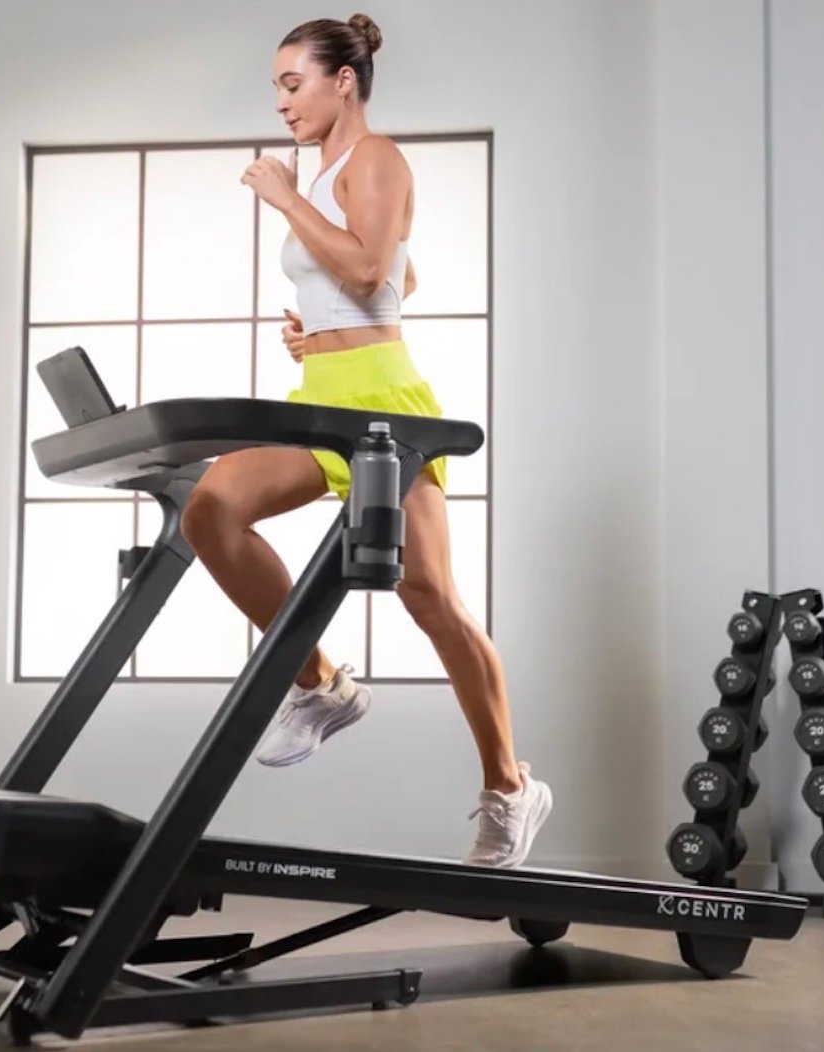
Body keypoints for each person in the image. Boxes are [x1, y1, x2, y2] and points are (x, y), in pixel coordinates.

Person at [180, 13, 552, 868]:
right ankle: (320, 684)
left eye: (292, 84)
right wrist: (320, 331)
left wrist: (285, 200)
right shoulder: (329, 176)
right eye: (277, 88)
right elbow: (397, 274)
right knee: (211, 509)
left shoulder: (375, 157)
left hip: (384, 405)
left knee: (432, 601)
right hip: (325, 397)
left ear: (342, 80)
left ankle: (508, 787)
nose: (282, 104)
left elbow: (370, 268)